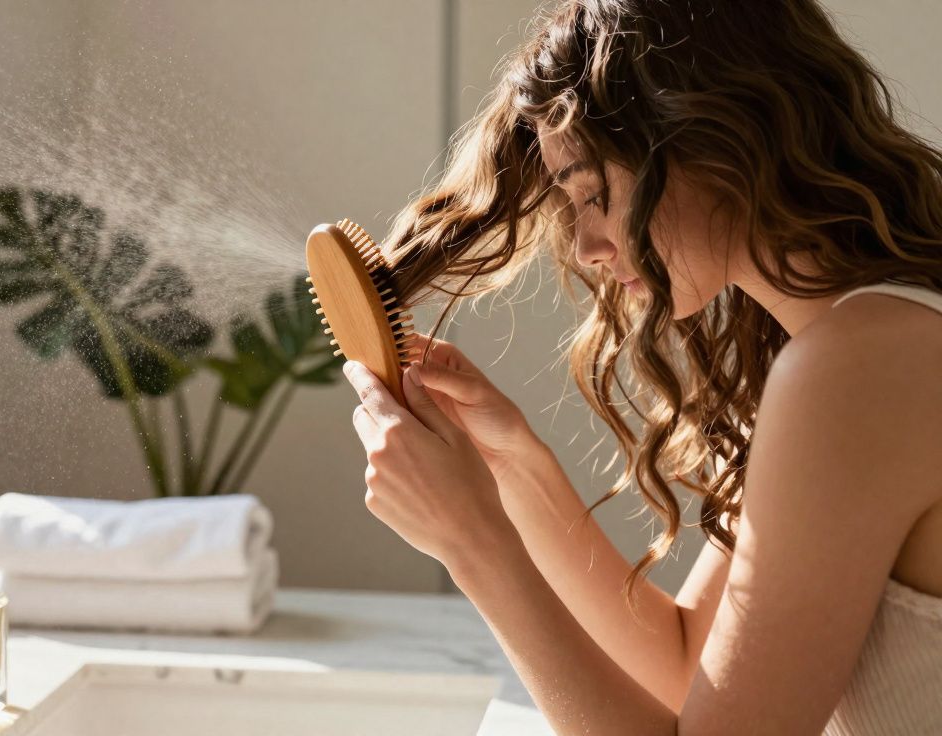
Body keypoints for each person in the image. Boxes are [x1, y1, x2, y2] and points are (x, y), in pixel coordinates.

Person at [341, 1, 942, 733]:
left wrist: (473, 544)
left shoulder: (857, 370)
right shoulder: (876, 338)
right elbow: (690, 662)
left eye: (595, 195)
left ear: (719, 137)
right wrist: (512, 469)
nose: (588, 246)